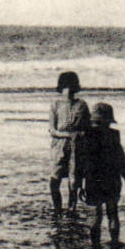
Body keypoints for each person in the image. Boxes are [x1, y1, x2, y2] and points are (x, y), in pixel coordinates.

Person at [75, 102, 125, 249]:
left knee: (95, 214)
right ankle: (114, 243)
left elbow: (79, 163)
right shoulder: (114, 136)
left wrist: (77, 184)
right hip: (112, 179)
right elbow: (122, 160)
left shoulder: (85, 136)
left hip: (92, 180)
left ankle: (95, 246)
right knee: (112, 212)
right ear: (109, 121)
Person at [49, 70, 91, 212]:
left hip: (77, 146)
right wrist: (66, 135)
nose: (68, 91)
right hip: (59, 146)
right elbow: (52, 130)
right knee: (55, 179)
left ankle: (72, 208)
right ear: (61, 88)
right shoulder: (55, 105)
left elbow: (88, 128)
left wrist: (81, 135)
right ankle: (57, 208)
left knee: (74, 181)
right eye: (65, 87)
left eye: (71, 87)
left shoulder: (82, 105)